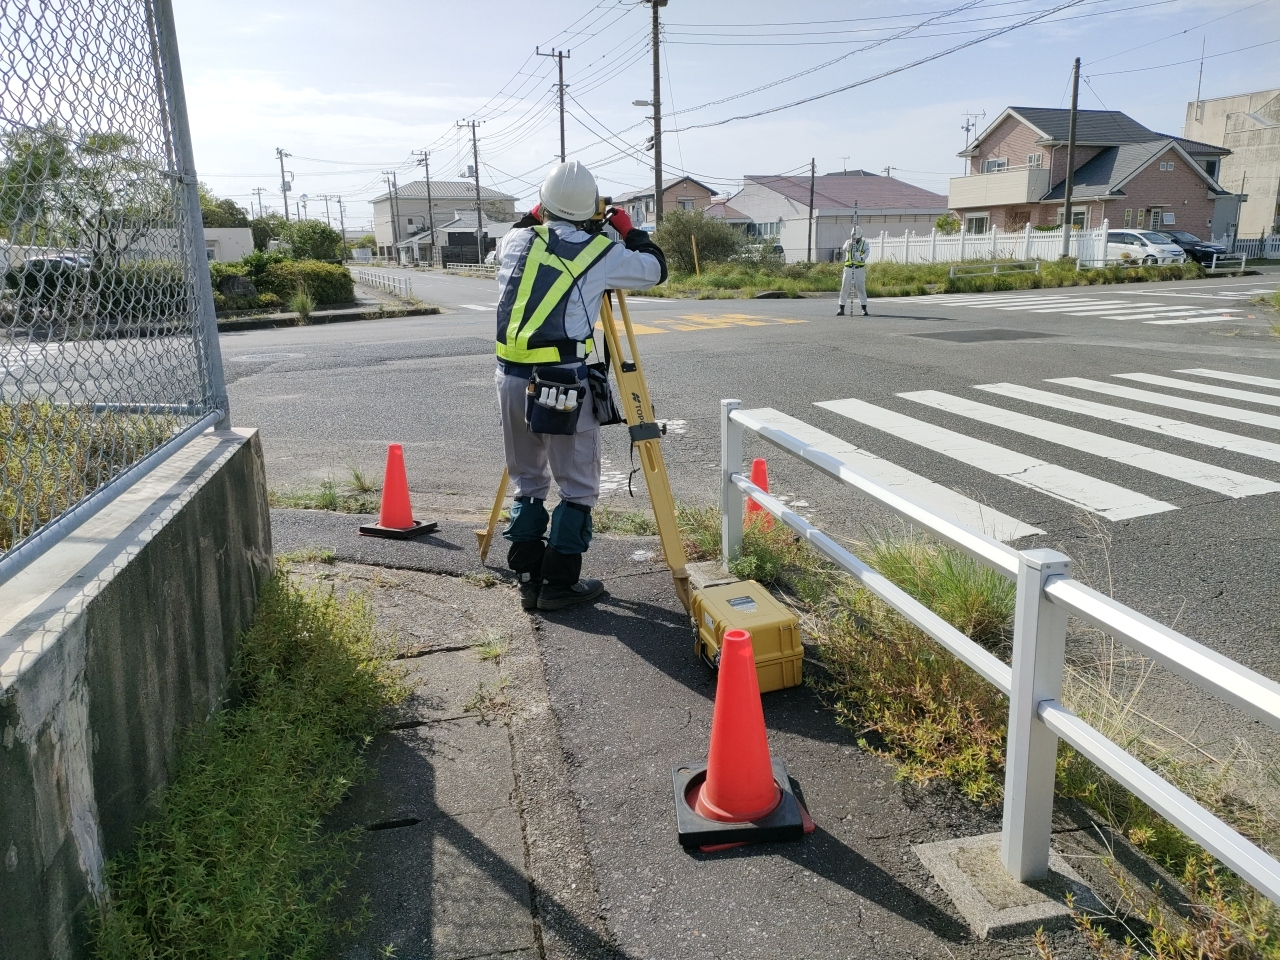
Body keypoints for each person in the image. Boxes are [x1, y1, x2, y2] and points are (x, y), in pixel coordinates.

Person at [494, 161, 667, 612]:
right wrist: (628, 230)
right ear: (590, 208)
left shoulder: (513, 242)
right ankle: (559, 584)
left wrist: (543, 212)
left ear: (543, 205)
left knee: (528, 480)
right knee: (578, 487)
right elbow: (654, 269)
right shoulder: (599, 252)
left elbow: (526, 226)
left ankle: (528, 576)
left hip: (510, 378)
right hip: (562, 381)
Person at [837, 225, 869, 317]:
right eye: (854, 237)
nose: (856, 239)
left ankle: (864, 309)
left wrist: (860, 258)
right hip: (848, 268)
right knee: (844, 288)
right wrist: (849, 245)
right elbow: (844, 248)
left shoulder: (865, 243)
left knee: (861, 288)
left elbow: (866, 254)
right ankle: (841, 308)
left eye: (857, 238)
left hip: (859, 269)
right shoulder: (848, 242)